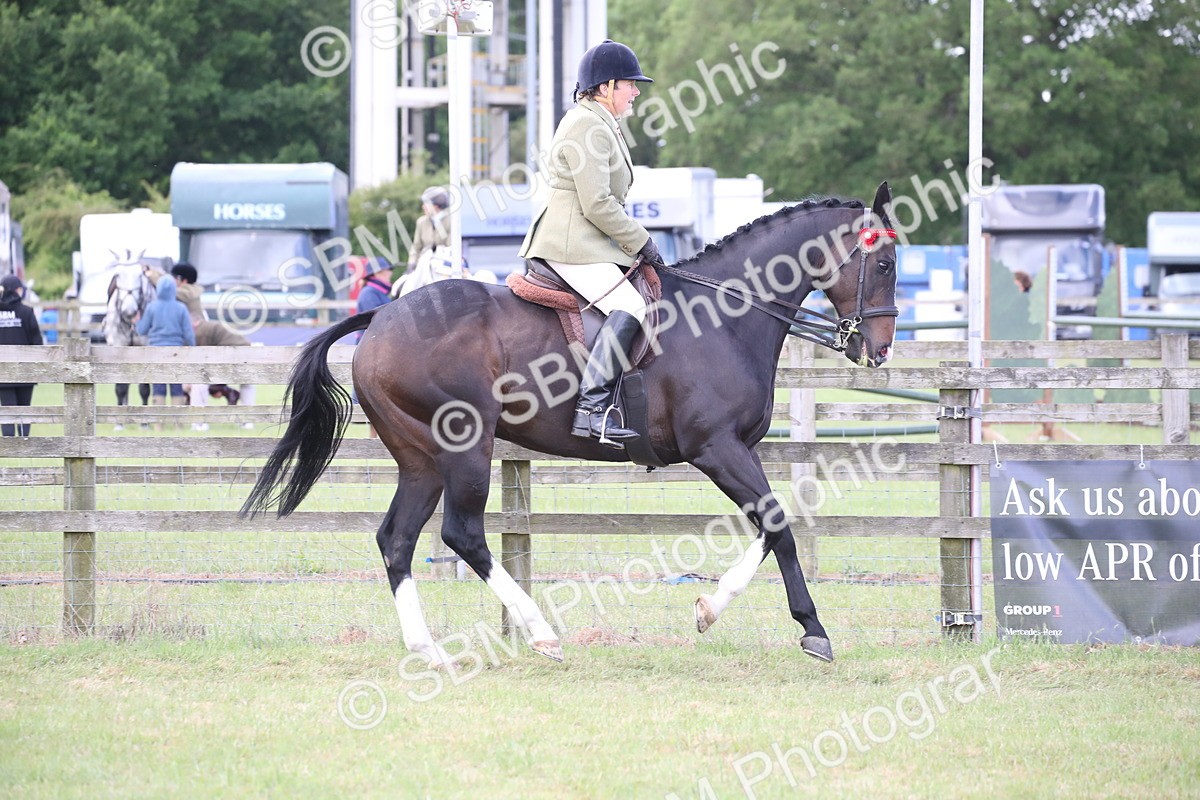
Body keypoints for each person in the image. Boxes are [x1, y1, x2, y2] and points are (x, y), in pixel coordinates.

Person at [518, 39, 663, 447]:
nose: (636, 91)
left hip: (589, 241)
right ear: (605, 87)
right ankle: (592, 410)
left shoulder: (601, 121)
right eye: (630, 84)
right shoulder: (586, 123)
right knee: (630, 305)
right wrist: (641, 240)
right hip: (571, 242)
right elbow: (597, 203)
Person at [135, 274, 195, 420]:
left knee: (158, 386)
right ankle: (177, 424)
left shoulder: (151, 307)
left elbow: (141, 330)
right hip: (176, 352)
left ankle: (158, 424)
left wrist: (137, 321)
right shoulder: (181, 308)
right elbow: (189, 333)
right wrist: (194, 350)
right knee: (176, 386)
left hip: (156, 352)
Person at [391, 187, 458, 298]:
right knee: (399, 287)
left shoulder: (451, 221)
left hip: (444, 262)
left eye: (425, 204)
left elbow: (450, 245)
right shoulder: (421, 222)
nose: (423, 207)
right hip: (423, 262)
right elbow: (416, 246)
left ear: (436, 206)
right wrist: (412, 263)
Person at [0, 275, 44, 437]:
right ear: (15, 291)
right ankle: (25, 439)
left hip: (2, 372)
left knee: (7, 410)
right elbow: (37, 342)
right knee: (25, 408)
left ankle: (9, 442)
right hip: (25, 371)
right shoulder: (26, 312)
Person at [193, 318, 256, 429]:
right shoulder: (212, 327)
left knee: (199, 383)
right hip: (247, 353)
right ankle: (247, 422)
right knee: (247, 384)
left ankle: (199, 424)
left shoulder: (200, 332)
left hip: (229, 355)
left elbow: (204, 361)